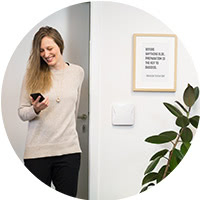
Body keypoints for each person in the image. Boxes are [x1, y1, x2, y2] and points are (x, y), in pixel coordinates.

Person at [18, 26, 84, 197]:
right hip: (37, 153)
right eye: (41, 51)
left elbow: (74, 109)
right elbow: (22, 113)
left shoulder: (77, 72)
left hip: (69, 151)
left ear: (60, 45)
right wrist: (35, 110)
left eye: (49, 48)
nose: (46, 54)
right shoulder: (32, 75)